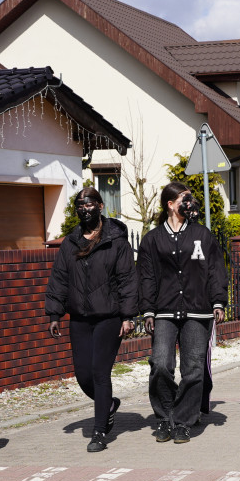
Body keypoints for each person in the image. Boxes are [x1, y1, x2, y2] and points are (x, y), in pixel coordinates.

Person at [45, 187, 138, 453]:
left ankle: (99, 432)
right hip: (79, 318)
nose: (84, 210)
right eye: (80, 207)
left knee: (99, 372)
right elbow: (60, 278)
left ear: (99, 206)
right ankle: (107, 404)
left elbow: (127, 280)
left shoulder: (116, 240)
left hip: (108, 317)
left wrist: (128, 315)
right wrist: (54, 313)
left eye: (89, 205)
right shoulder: (70, 242)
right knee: (82, 374)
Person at [137, 182, 227, 444]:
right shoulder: (152, 240)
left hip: (198, 311)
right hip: (164, 311)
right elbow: (147, 277)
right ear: (170, 204)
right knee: (161, 365)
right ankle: (166, 417)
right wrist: (148, 310)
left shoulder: (202, 234)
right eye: (184, 199)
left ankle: (185, 421)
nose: (190, 203)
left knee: (193, 369)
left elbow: (215, 270)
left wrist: (219, 301)